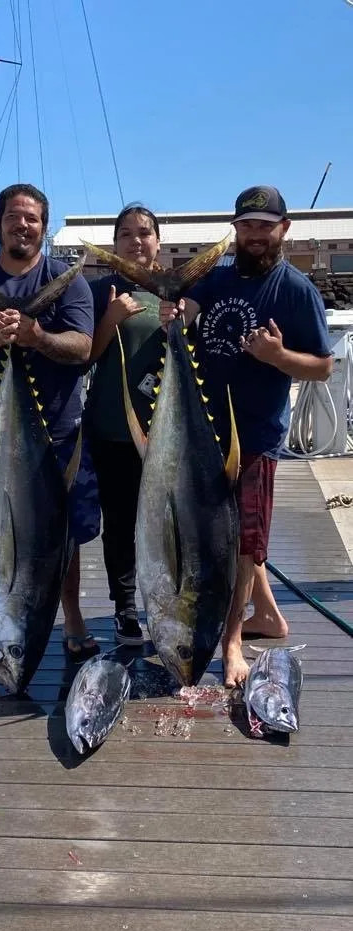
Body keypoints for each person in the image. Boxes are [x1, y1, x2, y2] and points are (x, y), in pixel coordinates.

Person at [160, 185, 333, 687]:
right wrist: (179, 312)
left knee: (239, 542)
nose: (255, 234)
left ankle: (232, 643)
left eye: (265, 225)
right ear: (234, 230)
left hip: (253, 438)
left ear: (284, 229)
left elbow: (322, 367)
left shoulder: (295, 290)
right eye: (247, 225)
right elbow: (191, 309)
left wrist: (277, 358)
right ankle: (269, 617)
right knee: (220, 533)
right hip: (199, 433)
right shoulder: (214, 278)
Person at [0, 182, 101, 663]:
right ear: (0, 223)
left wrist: (34, 335)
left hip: (60, 436)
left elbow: (82, 347)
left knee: (66, 533)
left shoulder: (67, 281)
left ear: (43, 225)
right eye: (14, 216)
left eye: (32, 218)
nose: (23, 225)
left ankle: (72, 618)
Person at [85, 203, 167, 644]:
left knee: (161, 522)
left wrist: (182, 325)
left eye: (144, 233)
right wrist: (110, 319)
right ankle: (126, 607)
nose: (136, 241)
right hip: (112, 430)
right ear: (113, 244)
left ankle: (164, 600)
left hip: (166, 436)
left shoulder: (176, 293)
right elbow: (85, 358)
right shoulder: (99, 292)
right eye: (126, 234)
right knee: (120, 522)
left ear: (158, 241)